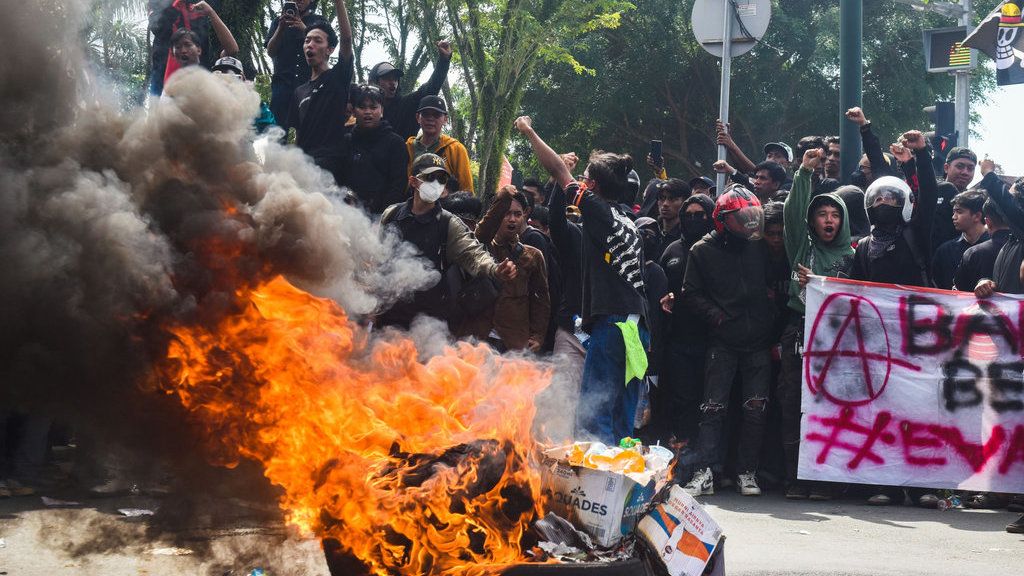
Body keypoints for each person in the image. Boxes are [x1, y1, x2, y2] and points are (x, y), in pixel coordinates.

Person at [514, 115, 648, 446]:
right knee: (621, 413)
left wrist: (529, 131)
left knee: (593, 413)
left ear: (593, 188)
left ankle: (598, 487)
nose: (579, 182)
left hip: (614, 325)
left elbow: (560, 173)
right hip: (638, 330)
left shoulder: (598, 211)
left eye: (584, 179)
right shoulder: (628, 222)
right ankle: (624, 488)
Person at [679, 186, 774, 497]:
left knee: (755, 410)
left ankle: (748, 472)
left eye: (752, 217)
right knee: (712, 408)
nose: (748, 224)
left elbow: (772, 282)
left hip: (758, 340)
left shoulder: (759, 247)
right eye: (741, 218)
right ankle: (704, 471)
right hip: (723, 340)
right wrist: (718, 317)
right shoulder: (702, 251)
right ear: (722, 220)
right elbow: (690, 293)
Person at [778, 148, 854, 500]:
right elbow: (792, 213)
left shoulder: (853, 256)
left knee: (829, 408)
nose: (828, 220)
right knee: (794, 403)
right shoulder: (801, 248)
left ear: (843, 221)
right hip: (799, 330)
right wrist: (804, 173)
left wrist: (823, 282)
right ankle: (796, 477)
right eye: (821, 214)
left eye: (834, 215)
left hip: (837, 340)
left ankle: (825, 478)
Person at [377, 154, 516, 329]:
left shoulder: (449, 223)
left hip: (427, 326)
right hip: (388, 319)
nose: (436, 184)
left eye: (441, 178)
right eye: (429, 177)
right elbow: (377, 258)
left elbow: (473, 253)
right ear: (413, 181)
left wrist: (495, 269)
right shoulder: (391, 214)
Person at [656, 194, 716, 451]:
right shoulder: (672, 251)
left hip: (712, 336)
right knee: (682, 398)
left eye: (700, 215)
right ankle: (682, 451)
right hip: (678, 338)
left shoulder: (717, 249)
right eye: (688, 215)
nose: (693, 220)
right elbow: (659, 288)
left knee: (710, 399)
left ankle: (706, 455)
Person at [458, 186, 549, 352]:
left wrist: (538, 336)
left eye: (517, 214)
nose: (512, 219)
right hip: (476, 338)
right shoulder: (481, 247)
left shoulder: (533, 256)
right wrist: (504, 196)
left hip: (514, 343)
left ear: (525, 215)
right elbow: (482, 233)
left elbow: (541, 301)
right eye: (506, 213)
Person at [287, 0, 353, 180]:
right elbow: (298, 135)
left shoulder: (338, 77)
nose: (310, 44)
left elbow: (346, 40)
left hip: (331, 163)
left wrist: (338, 3)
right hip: (305, 165)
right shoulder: (299, 91)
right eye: (307, 40)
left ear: (330, 49)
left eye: (317, 41)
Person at [343, 85, 410, 214]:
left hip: (384, 219)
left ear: (382, 111)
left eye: (373, 107)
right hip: (348, 215)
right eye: (362, 107)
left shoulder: (396, 144)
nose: (368, 112)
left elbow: (398, 186)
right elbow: (340, 179)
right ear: (354, 112)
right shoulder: (347, 142)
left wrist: (382, 218)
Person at [369, 41, 453, 140]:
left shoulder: (406, 105)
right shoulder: (364, 110)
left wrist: (444, 61)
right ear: (374, 82)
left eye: (395, 79)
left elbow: (430, 89)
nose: (392, 83)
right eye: (387, 78)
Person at [265, 0, 328, 126]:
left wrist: (304, 28)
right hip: (282, 83)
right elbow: (271, 52)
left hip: (310, 83)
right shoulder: (278, 22)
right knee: (276, 129)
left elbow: (327, 49)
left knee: (310, 127)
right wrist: (281, 28)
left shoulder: (320, 22)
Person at [405, 96, 474, 195]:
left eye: (436, 115)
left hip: (445, 207)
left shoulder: (455, 149)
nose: (430, 119)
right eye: (425, 114)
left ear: (445, 119)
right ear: (418, 118)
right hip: (411, 205)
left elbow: (467, 190)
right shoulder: (408, 147)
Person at [932, 189, 989, 290]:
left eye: (959, 212)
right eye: (954, 212)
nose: (954, 217)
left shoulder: (996, 248)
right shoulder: (945, 251)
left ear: (977, 216)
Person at [954, 198, 1010, 292]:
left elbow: (959, 290)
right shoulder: (1019, 249)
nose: (954, 217)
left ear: (988, 223)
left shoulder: (973, 253)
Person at [210, 56, 277, 134]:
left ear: (242, 78)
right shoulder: (205, 100)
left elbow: (270, 131)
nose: (226, 79)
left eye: (230, 74)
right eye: (221, 75)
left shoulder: (254, 103)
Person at [654, 179, 690, 261]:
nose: (665, 204)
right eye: (662, 198)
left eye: (672, 199)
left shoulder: (687, 237)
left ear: (685, 202)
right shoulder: (652, 232)